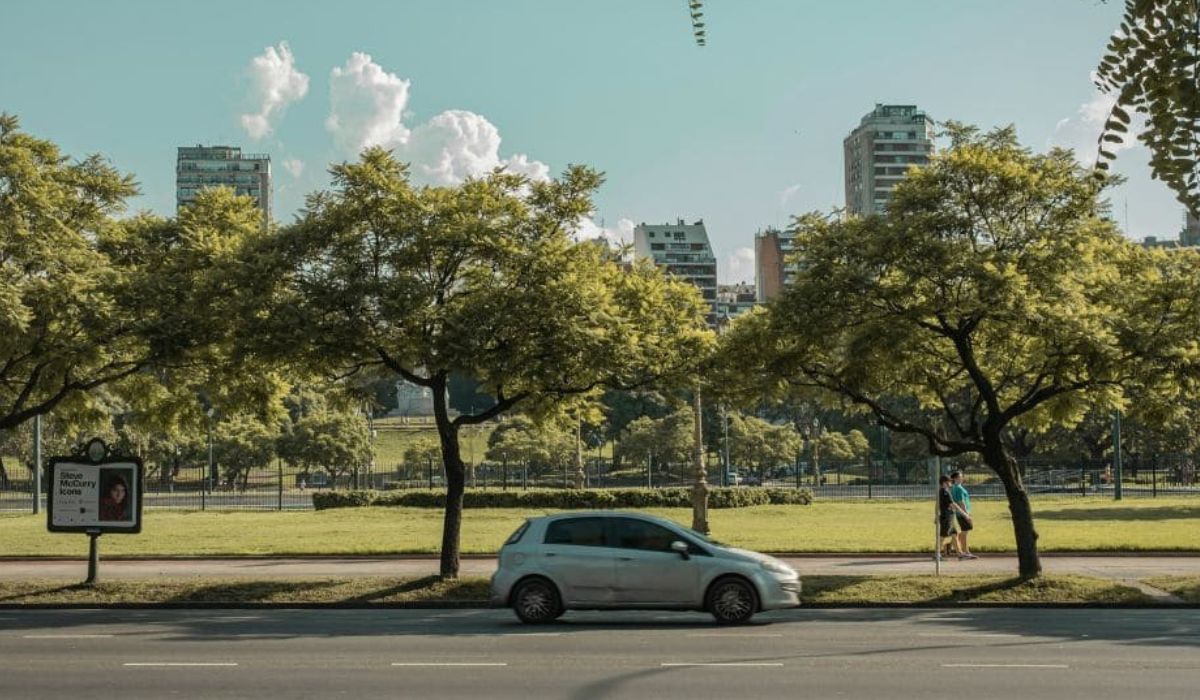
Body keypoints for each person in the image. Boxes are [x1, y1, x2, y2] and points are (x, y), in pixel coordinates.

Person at [949, 470, 977, 560]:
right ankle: (965, 552)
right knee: (965, 532)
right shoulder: (958, 488)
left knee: (964, 532)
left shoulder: (954, 487)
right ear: (956, 478)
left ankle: (951, 546)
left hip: (960, 513)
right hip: (962, 513)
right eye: (960, 476)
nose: (962, 478)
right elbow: (961, 502)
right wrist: (966, 514)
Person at [937, 475, 963, 560]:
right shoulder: (945, 491)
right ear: (944, 483)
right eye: (949, 481)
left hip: (949, 516)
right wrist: (965, 514)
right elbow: (953, 504)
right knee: (943, 536)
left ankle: (960, 554)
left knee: (954, 535)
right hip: (946, 517)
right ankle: (937, 555)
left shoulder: (944, 491)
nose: (950, 482)